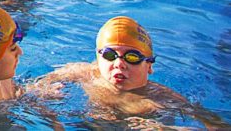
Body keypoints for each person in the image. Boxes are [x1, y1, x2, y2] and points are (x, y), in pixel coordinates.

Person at [30, 17, 226, 127]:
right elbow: (40, 83)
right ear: (98, 59)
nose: (119, 64)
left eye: (132, 57)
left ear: (149, 66)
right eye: (109, 55)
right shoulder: (86, 73)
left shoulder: (160, 99)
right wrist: (45, 89)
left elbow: (215, 125)